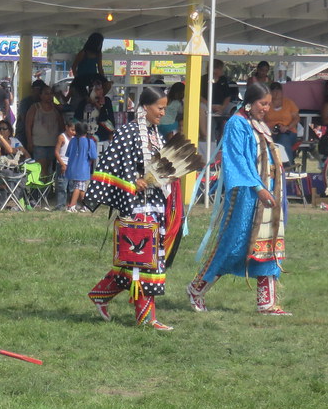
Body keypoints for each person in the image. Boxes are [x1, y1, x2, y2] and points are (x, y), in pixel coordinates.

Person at [84, 86, 185, 330]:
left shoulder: (155, 134)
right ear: (146, 107)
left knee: (134, 258)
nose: (163, 113)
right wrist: (132, 182)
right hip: (136, 206)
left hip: (155, 203)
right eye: (160, 108)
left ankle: (101, 293)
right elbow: (110, 163)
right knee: (143, 259)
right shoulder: (128, 132)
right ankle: (147, 318)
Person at [187, 82, 288, 315]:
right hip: (247, 194)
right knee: (234, 244)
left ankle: (267, 302)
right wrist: (258, 188)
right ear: (250, 103)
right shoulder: (237, 123)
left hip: (269, 193)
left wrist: (271, 188)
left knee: (268, 242)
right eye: (263, 104)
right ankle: (196, 288)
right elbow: (237, 161)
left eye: (269, 104)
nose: (266, 108)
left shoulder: (259, 125)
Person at [25, 84, 62, 176]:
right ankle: (42, 189)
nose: (49, 96)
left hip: (53, 143)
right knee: (42, 168)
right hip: (38, 144)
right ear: (40, 95)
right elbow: (28, 125)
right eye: (46, 94)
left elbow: (61, 125)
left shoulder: (55, 108)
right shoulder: (35, 107)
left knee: (49, 169)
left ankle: (47, 189)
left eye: (51, 94)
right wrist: (29, 141)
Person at [200, 59, 239, 137]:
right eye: (221, 69)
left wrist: (223, 107)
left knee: (235, 108)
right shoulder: (203, 79)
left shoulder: (223, 79)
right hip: (207, 105)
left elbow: (227, 96)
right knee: (202, 108)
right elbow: (199, 96)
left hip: (222, 105)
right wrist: (210, 105)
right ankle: (206, 134)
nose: (222, 71)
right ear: (215, 69)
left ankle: (230, 131)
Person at [64, 121, 97, 212]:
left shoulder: (73, 140)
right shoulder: (90, 142)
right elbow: (93, 156)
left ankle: (86, 205)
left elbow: (68, 154)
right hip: (83, 168)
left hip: (72, 167)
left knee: (80, 187)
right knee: (78, 187)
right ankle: (72, 205)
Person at [265, 81, 300, 161]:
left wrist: (287, 127)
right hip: (269, 132)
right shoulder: (266, 104)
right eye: (273, 90)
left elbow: (296, 118)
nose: (276, 93)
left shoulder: (289, 103)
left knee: (283, 139)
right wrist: (268, 129)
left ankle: (287, 166)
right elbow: (260, 119)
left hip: (288, 131)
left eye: (278, 90)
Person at [71, 32, 109, 99]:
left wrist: (104, 80)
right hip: (82, 76)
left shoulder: (98, 54)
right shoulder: (83, 53)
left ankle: (98, 97)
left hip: (93, 76)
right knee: (84, 94)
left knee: (108, 84)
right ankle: (90, 99)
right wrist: (76, 77)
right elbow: (74, 66)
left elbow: (100, 68)